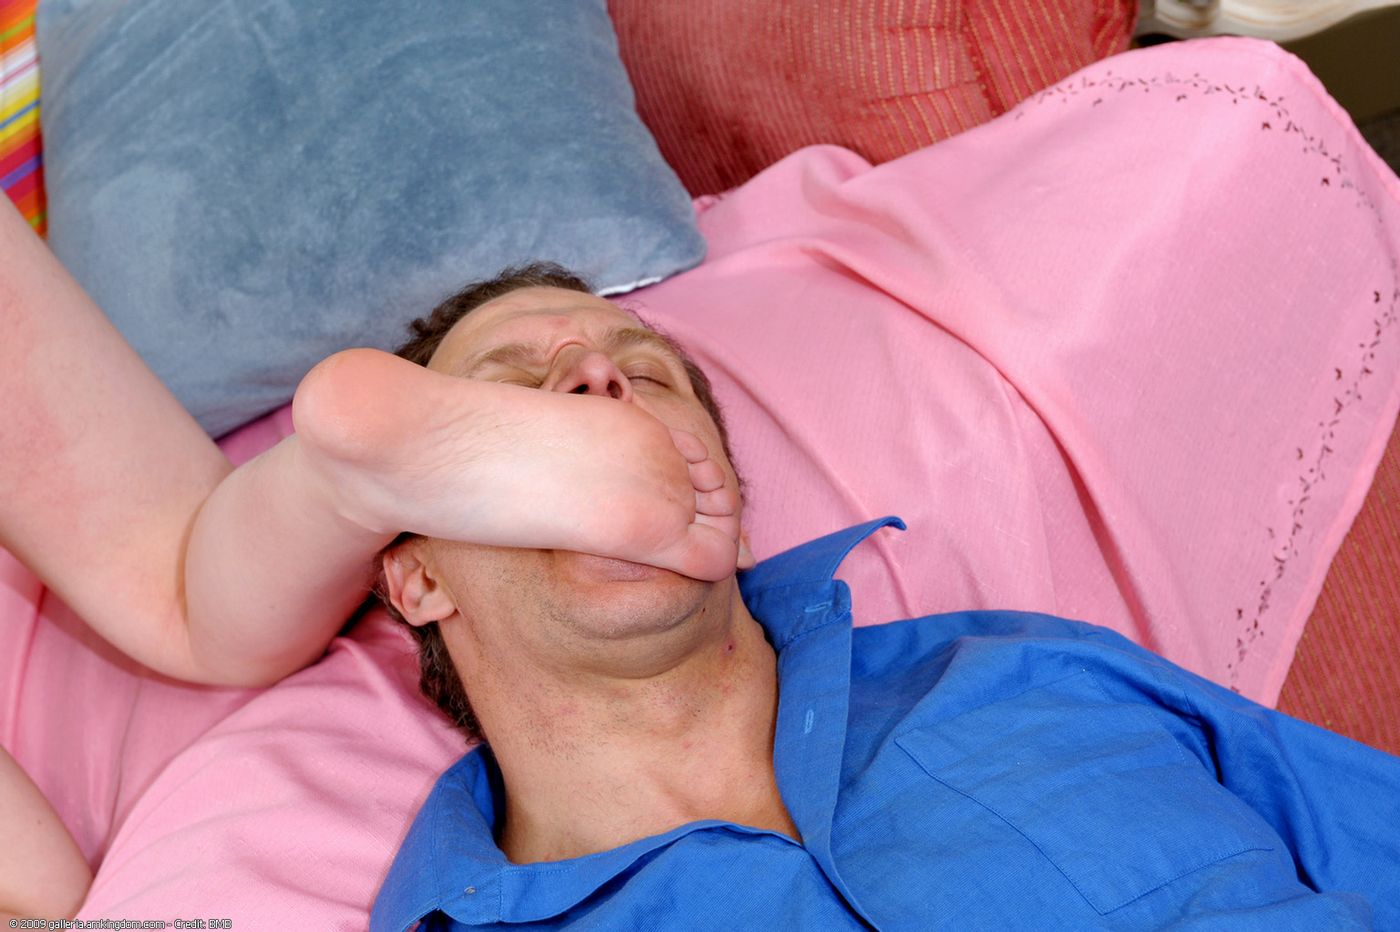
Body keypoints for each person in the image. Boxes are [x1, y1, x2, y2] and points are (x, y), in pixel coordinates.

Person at [2, 193, 1399, 926]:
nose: (598, 376)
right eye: (531, 386)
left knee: (185, 592)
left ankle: (344, 469)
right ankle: (342, 475)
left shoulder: (1027, 677)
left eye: (642, 374)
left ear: (726, 498)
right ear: (412, 576)